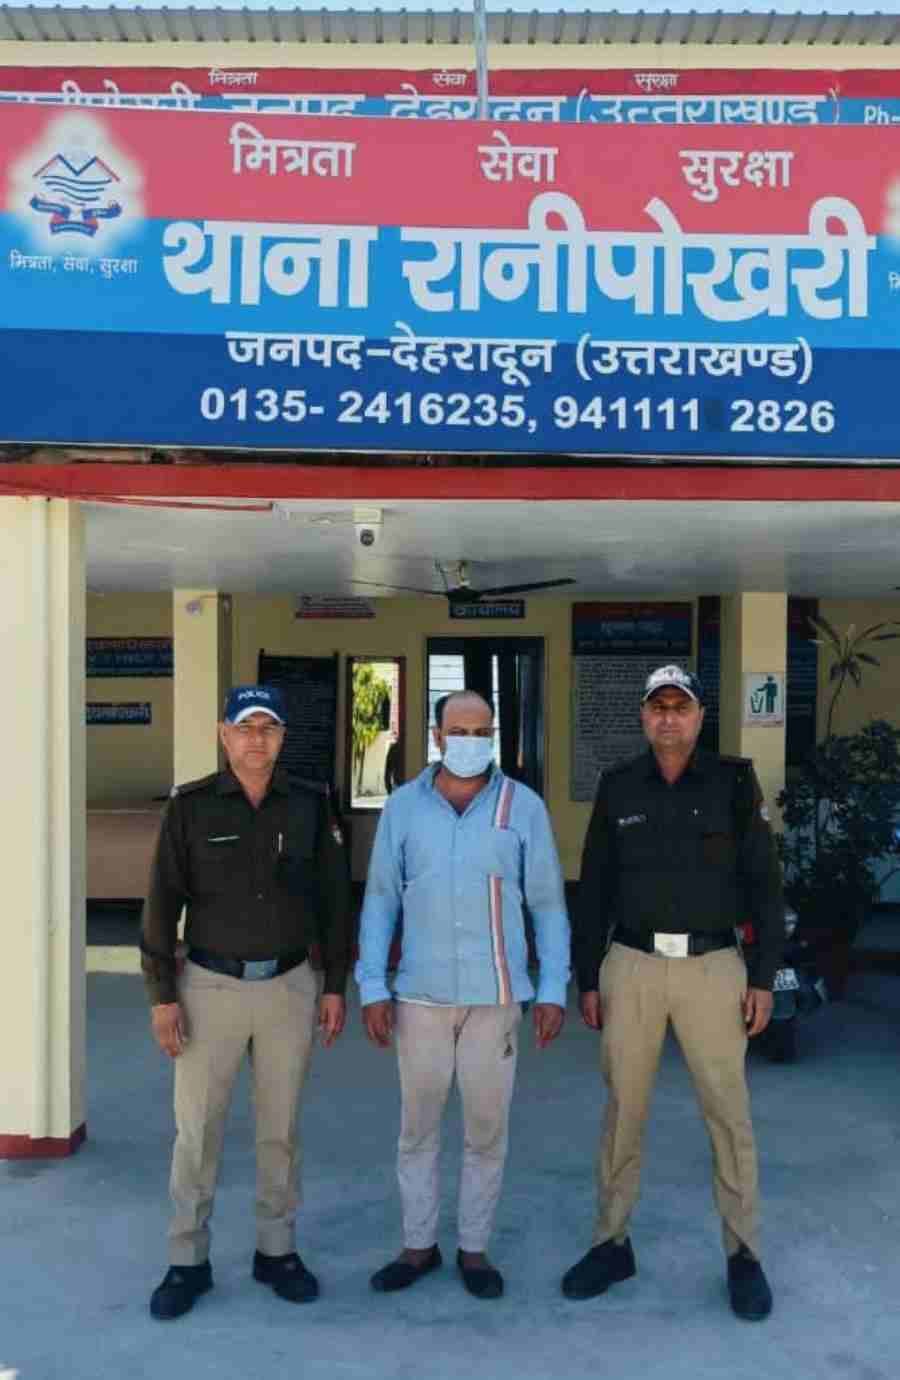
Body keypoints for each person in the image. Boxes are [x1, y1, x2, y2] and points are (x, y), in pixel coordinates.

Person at [562, 665, 783, 1321]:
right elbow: (595, 887)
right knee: (623, 1111)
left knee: (728, 1114)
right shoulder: (619, 785)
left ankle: (744, 1254)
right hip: (631, 965)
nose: (667, 717)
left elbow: (765, 885)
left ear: (699, 716)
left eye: (679, 706)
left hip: (712, 967)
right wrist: (587, 977)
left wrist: (764, 977)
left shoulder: (733, 783)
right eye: (657, 706)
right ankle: (611, 1243)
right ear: (643, 716)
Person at [140, 684, 352, 1320]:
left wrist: (335, 985)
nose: (256, 739)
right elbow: (160, 904)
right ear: (224, 734)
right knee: (197, 1132)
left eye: (268, 727)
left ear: (282, 737)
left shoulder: (311, 805)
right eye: (245, 727)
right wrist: (161, 995)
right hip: (210, 988)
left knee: (279, 1130)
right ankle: (187, 1259)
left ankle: (276, 1250)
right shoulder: (191, 807)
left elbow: (334, 901)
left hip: (290, 987)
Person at [357, 690, 570, 1300]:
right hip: (419, 998)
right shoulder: (404, 808)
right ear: (436, 735)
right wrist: (372, 985)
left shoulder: (522, 807)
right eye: (460, 730)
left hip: (494, 999)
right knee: (417, 1130)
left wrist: (552, 988)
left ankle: (474, 1250)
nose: (471, 741)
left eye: (482, 731)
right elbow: (381, 899)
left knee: (485, 1132)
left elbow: (547, 903)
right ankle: (418, 1246)